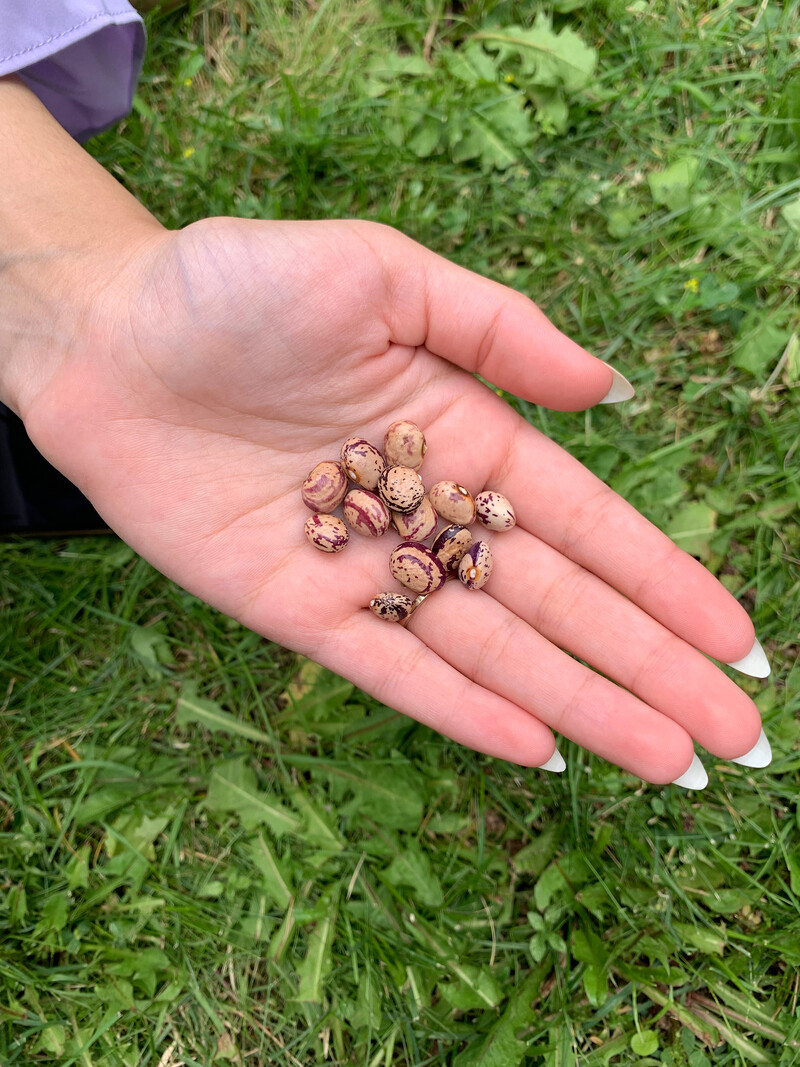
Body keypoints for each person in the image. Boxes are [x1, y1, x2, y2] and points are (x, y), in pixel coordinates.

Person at [0, 2, 772, 790]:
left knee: (64, 465)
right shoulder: (391, 508)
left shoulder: (417, 512)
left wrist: (80, 293)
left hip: (86, 383)